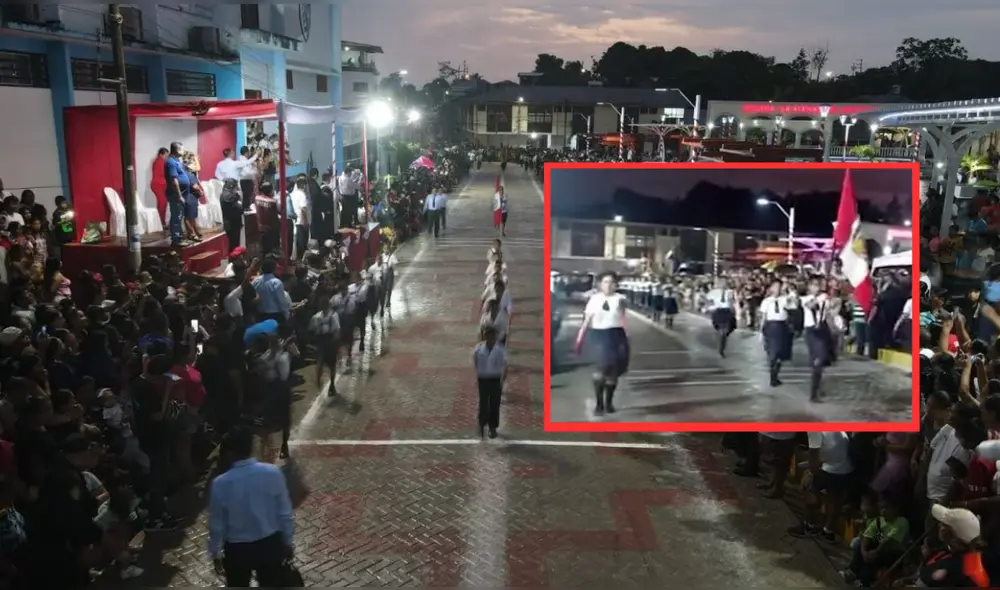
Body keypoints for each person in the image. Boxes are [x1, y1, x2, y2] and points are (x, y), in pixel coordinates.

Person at [208, 427, 295, 588]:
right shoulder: (272, 473)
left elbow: (217, 523)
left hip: (237, 550)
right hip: (270, 545)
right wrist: (288, 541)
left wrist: (215, 552)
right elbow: (284, 513)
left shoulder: (220, 483)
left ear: (230, 452)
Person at [575, 271, 628, 416]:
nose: (608, 285)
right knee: (600, 371)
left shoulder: (621, 299)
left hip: (616, 335)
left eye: (612, 282)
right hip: (598, 336)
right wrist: (580, 338)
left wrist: (625, 341)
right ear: (600, 284)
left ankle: (609, 402)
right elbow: (587, 320)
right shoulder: (594, 299)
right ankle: (599, 404)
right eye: (605, 282)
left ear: (616, 285)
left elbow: (623, 320)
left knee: (613, 373)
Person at [473, 326, 507, 439]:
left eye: (492, 336)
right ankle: (481, 424)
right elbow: (475, 361)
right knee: (483, 403)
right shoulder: (478, 348)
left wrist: (502, 379)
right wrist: (479, 373)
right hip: (483, 379)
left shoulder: (500, 349)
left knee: (494, 404)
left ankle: (493, 427)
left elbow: (504, 365)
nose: (490, 338)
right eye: (488, 335)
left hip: (495, 378)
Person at [802, 278, 831, 402]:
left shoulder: (825, 298)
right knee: (817, 360)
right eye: (813, 285)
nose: (816, 287)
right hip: (811, 331)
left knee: (822, 360)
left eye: (817, 285)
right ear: (809, 287)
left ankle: (818, 386)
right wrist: (819, 299)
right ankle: (814, 393)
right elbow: (810, 305)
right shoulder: (805, 298)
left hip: (822, 329)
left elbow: (827, 313)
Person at [759, 279, 790, 387]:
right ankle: (773, 376)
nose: (777, 289)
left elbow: (793, 306)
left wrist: (788, 292)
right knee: (773, 353)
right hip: (771, 326)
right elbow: (763, 317)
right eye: (775, 286)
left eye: (779, 286)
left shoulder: (785, 299)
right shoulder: (766, 301)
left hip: (782, 326)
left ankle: (775, 374)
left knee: (781, 353)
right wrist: (761, 331)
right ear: (771, 288)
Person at [164, 142, 188, 247]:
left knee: (179, 216)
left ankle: (179, 237)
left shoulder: (177, 160)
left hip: (181, 193)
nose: (183, 151)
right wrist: (179, 195)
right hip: (175, 194)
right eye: (182, 149)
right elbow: (174, 180)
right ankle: (176, 240)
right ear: (177, 150)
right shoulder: (171, 162)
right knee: (176, 216)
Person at [706, 278, 737, 357]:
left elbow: (731, 302)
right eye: (721, 282)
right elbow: (708, 301)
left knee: (728, 330)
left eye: (725, 283)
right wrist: (709, 308)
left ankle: (722, 341)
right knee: (722, 331)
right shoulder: (713, 292)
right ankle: (721, 348)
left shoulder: (730, 292)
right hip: (718, 311)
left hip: (727, 311)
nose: (723, 284)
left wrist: (733, 312)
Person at [220, 179, 244, 249]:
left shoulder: (228, 194)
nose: (236, 189)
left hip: (232, 223)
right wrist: (239, 200)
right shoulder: (228, 196)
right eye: (236, 187)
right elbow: (240, 207)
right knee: (234, 245)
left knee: (234, 244)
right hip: (232, 224)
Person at [150, 147, 170, 224]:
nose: (167, 157)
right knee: (163, 202)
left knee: (162, 203)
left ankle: (160, 222)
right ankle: (161, 222)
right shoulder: (159, 161)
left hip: (160, 184)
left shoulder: (160, 161)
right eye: (166, 155)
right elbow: (163, 173)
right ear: (161, 154)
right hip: (158, 185)